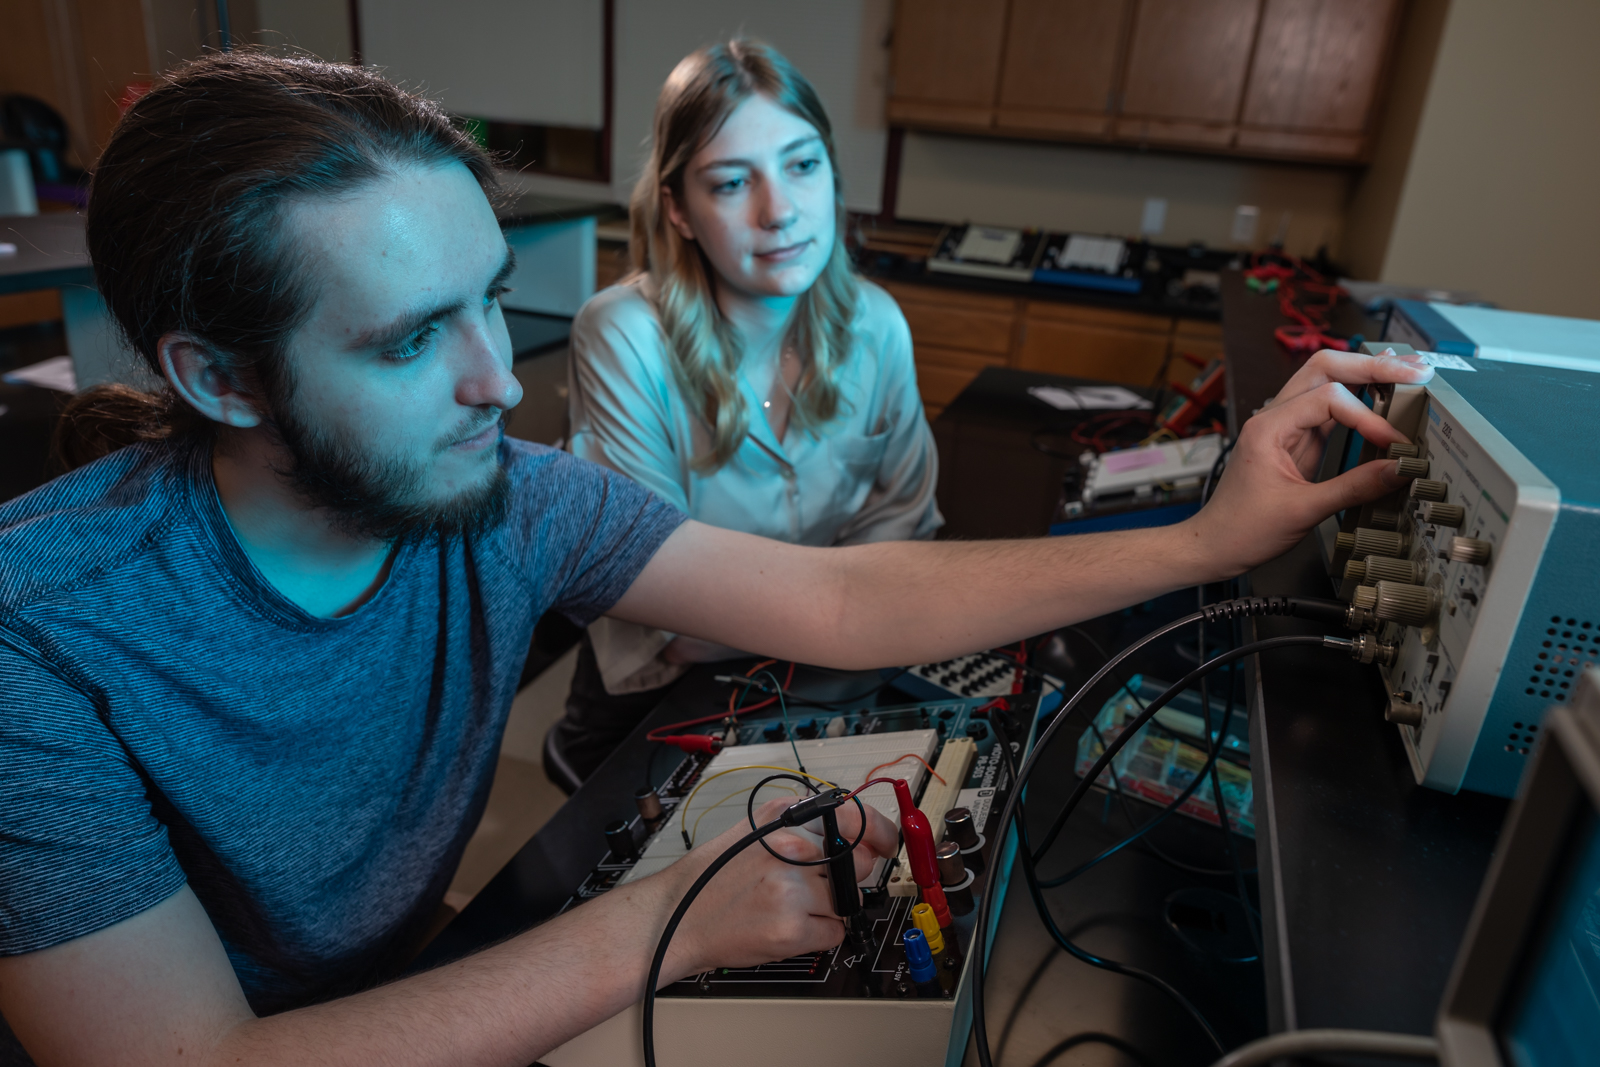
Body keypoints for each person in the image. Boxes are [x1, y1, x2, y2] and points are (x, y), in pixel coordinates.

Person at [0, 52, 1430, 1067]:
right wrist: (665, 921)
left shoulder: (508, 490)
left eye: (490, 303)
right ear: (222, 379)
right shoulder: (37, 636)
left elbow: (831, 593)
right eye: (408, 338)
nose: (502, 381)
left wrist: (1203, 537)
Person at [547, 41, 940, 788]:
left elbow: (907, 525)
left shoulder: (879, 325)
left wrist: (736, 613)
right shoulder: (621, 335)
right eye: (732, 182)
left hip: (818, 680)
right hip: (655, 705)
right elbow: (662, 598)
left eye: (802, 164)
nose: (781, 210)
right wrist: (848, 596)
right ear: (678, 210)